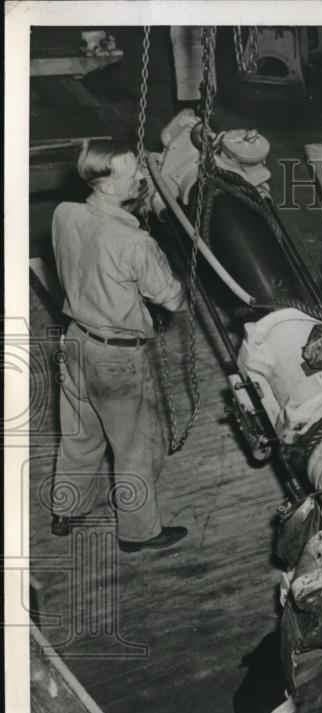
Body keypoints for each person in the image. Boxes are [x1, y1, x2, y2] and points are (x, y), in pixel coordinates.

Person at [50, 139, 189, 552]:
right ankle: (139, 532)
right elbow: (172, 299)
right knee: (133, 447)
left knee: (80, 434)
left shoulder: (64, 214)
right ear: (108, 186)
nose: (144, 176)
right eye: (135, 173)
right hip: (116, 358)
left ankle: (65, 510)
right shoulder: (135, 243)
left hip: (75, 342)